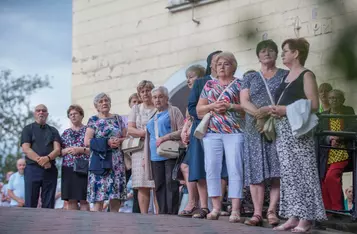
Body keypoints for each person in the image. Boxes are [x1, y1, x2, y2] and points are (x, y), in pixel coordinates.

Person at [271, 38, 326, 232]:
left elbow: (313, 104)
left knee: (304, 172)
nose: (282, 54)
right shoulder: (286, 76)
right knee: (288, 174)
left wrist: (285, 110)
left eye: (285, 51)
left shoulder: (306, 74)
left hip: (298, 130)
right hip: (283, 130)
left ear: (296, 53)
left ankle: (306, 217)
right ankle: (293, 215)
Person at [240, 40, 288, 226]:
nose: (267, 53)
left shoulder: (285, 75)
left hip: (276, 124)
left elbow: (288, 99)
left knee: (277, 169)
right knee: (255, 169)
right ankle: (257, 213)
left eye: (271, 50)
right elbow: (244, 100)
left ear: (276, 54)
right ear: (258, 55)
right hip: (254, 127)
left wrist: (266, 111)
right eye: (263, 51)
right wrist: (258, 115)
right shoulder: (250, 77)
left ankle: (272, 211)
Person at [197, 52, 245, 223]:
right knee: (212, 168)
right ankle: (215, 207)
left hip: (235, 131)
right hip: (212, 132)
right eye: (219, 64)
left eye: (226, 64)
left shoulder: (240, 84)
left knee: (235, 168)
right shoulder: (209, 85)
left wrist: (231, 106)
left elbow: (246, 107)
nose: (222, 67)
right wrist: (213, 106)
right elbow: (199, 110)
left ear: (233, 66)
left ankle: (236, 209)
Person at [187, 50, 229, 219]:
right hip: (204, 130)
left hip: (226, 129)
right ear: (211, 64)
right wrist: (209, 112)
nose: (220, 64)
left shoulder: (232, 83)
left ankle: (217, 206)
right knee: (201, 168)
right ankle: (204, 206)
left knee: (223, 168)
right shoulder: (201, 83)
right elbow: (191, 107)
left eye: (223, 61)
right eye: (216, 61)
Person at [144, 86, 184, 214]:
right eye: (154, 97)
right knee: (159, 185)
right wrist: (146, 156)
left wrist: (166, 137)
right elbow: (148, 137)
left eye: (160, 97)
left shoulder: (174, 111)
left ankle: (172, 213)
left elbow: (182, 130)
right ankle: (162, 212)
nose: (157, 100)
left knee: (171, 183)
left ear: (166, 98)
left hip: (169, 153)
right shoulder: (152, 114)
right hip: (155, 155)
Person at [84, 93, 127, 212]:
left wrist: (119, 140)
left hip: (116, 162)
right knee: (99, 197)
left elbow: (126, 137)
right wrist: (107, 142)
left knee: (115, 196)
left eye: (106, 100)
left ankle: (114, 226)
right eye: (101, 101)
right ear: (96, 106)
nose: (104, 103)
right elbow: (87, 141)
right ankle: (97, 226)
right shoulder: (93, 120)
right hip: (100, 160)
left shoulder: (118, 119)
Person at [319, 89, 355, 211]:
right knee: (323, 180)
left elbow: (352, 127)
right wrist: (330, 138)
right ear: (328, 100)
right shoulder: (324, 115)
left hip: (342, 151)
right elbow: (320, 135)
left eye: (337, 98)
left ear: (343, 100)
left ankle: (337, 209)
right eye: (331, 98)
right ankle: (328, 211)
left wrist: (339, 136)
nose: (334, 100)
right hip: (327, 152)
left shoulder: (348, 111)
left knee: (331, 177)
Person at [21, 104, 61, 208]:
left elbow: (57, 149)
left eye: (43, 111)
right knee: (30, 203)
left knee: (48, 204)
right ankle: (29, 224)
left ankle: (47, 224)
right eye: (38, 110)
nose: (41, 112)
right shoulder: (27, 129)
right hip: (32, 169)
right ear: (34, 113)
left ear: (47, 114)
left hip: (49, 170)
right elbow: (26, 149)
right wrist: (42, 161)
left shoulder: (53, 130)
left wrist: (47, 158)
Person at [179, 64, 205, 216]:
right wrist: (184, 131)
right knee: (186, 167)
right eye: (187, 77)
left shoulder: (204, 93)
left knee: (194, 168)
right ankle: (193, 202)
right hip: (192, 137)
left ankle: (199, 204)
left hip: (202, 135)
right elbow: (187, 120)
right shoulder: (191, 97)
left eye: (191, 76)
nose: (188, 80)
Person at [127, 81, 157, 214]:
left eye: (148, 90)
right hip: (140, 149)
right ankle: (144, 216)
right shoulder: (136, 109)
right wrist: (146, 133)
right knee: (142, 184)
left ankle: (159, 215)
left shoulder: (159, 107)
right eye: (142, 91)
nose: (145, 93)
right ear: (139, 94)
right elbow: (130, 129)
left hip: (156, 147)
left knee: (157, 183)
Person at [60, 104, 90, 211]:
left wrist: (80, 149)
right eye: (70, 114)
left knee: (84, 199)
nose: (73, 116)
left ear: (81, 115)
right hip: (68, 168)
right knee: (71, 200)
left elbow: (93, 150)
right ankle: (73, 225)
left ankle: (85, 223)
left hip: (83, 168)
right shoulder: (65, 133)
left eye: (75, 113)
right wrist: (67, 150)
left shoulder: (88, 130)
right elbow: (59, 152)